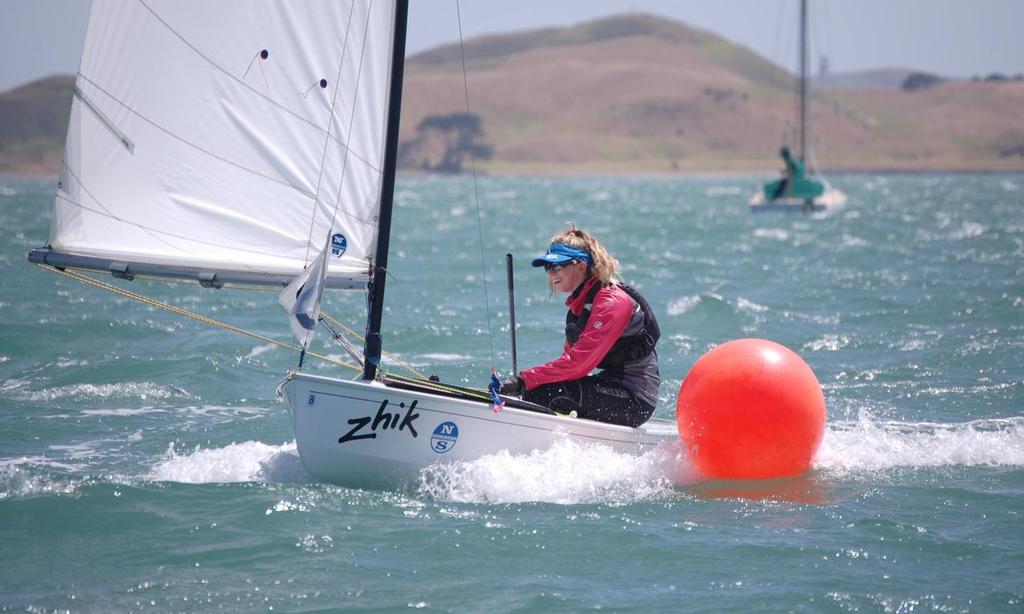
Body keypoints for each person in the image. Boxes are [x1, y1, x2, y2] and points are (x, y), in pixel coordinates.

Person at [492, 225, 660, 427]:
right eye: (547, 268)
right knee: (539, 389)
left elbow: (579, 364)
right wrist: (522, 384)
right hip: (608, 385)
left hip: (635, 399)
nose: (551, 274)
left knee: (546, 392)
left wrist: (522, 381)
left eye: (557, 267)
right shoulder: (579, 308)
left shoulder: (612, 303)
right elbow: (568, 363)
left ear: (580, 266)